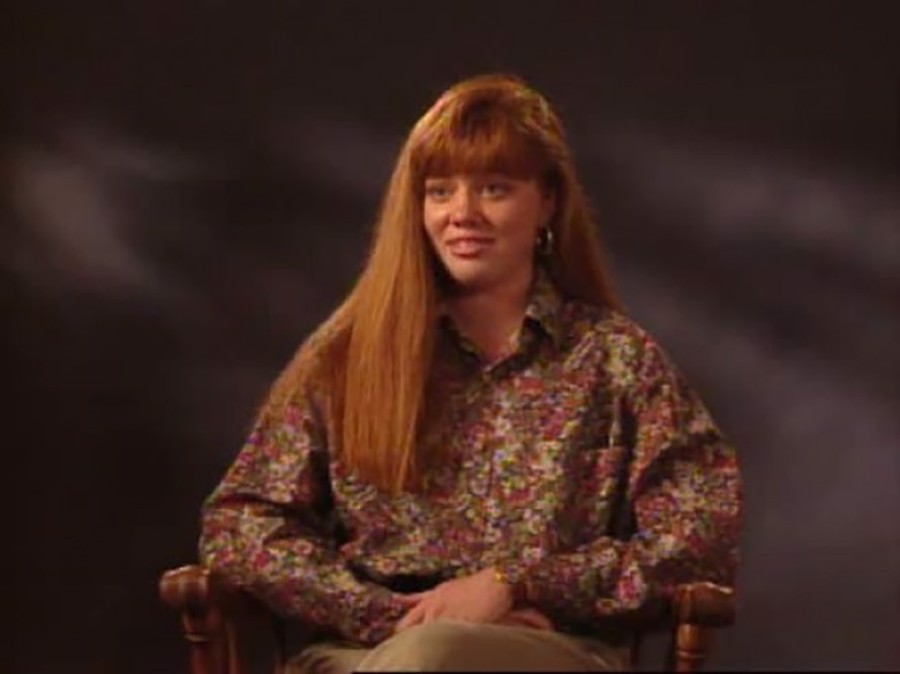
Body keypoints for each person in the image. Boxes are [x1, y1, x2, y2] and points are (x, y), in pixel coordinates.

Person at [198, 73, 742, 672]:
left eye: (494, 189)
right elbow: (240, 525)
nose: (462, 213)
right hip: (368, 653)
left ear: (548, 203)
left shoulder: (615, 360)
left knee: (435, 656)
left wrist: (519, 584)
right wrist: (387, 615)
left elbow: (699, 537)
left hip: (550, 651)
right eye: (439, 192)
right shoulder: (348, 357)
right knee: (425, 655)